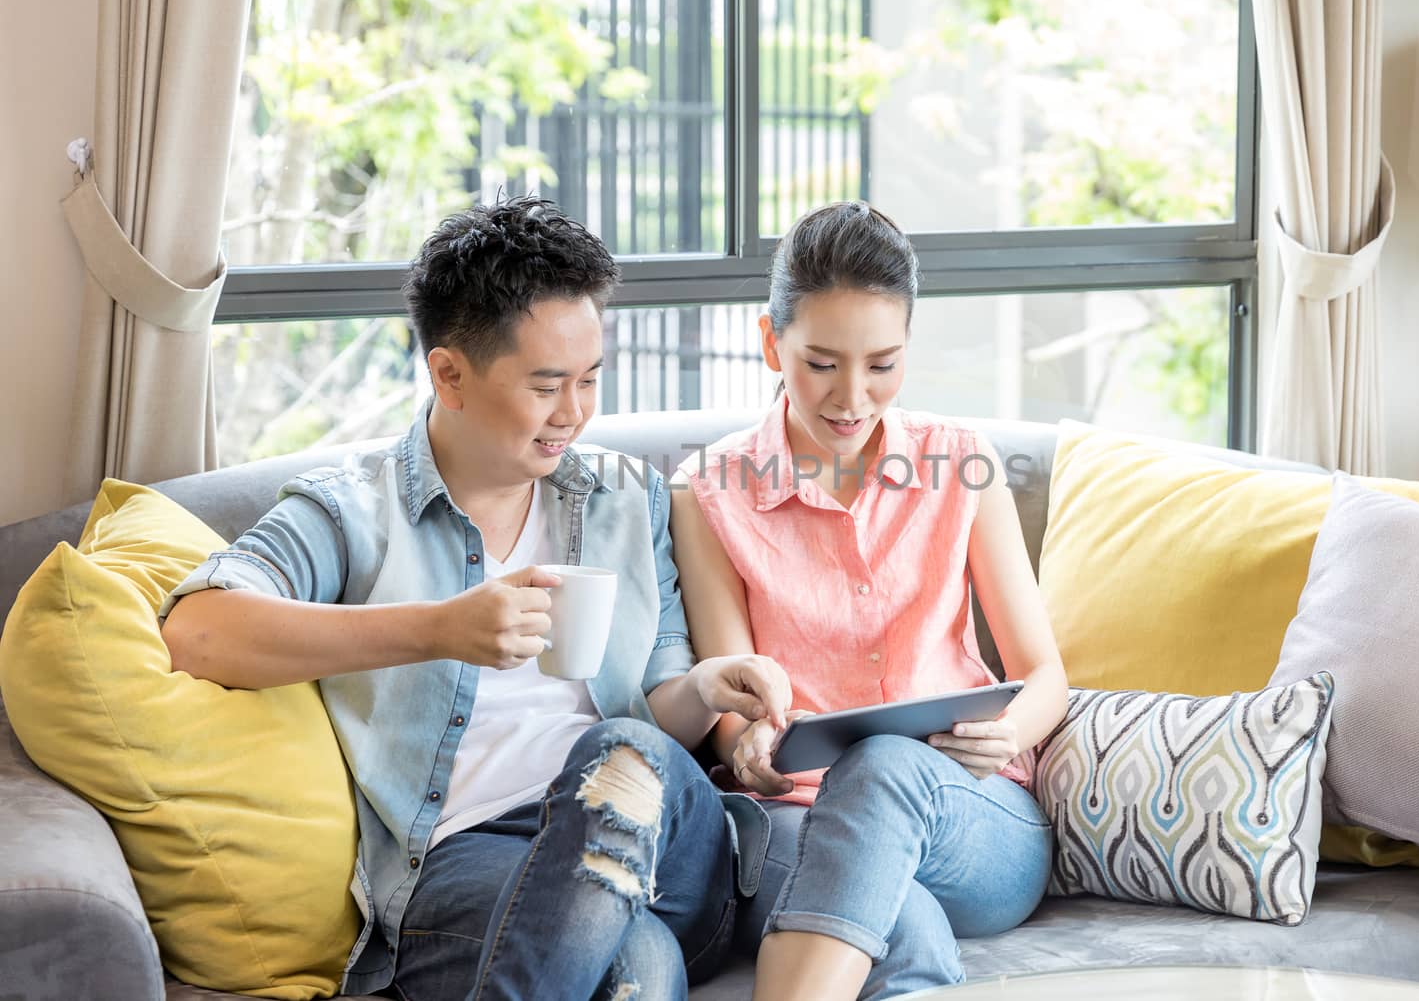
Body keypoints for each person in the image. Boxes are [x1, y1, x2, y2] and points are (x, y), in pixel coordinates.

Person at [160, 196, 788, 1001]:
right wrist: (439, 629)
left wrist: (706, 685)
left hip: (665, 842)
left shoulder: (627, 501)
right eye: (546, 385)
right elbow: (197, 631)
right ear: (449, 374)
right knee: (638, 968)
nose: (575, 414)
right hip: (468, 858)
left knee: (623, 749)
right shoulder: (354, 511)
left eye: (591, 380)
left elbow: (661, 706)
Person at [669, 200, 1070, 1000]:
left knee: (886, 764)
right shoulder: (708, 490)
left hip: (973, 815)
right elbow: (731, 701)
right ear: (769, 341)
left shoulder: (961, 463)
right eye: (821, 362)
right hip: (798, 820)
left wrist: (1006, 732)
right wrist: (746, 745)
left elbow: (1044, 674)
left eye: (882, 364)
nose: (852, 397)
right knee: (904, 924)